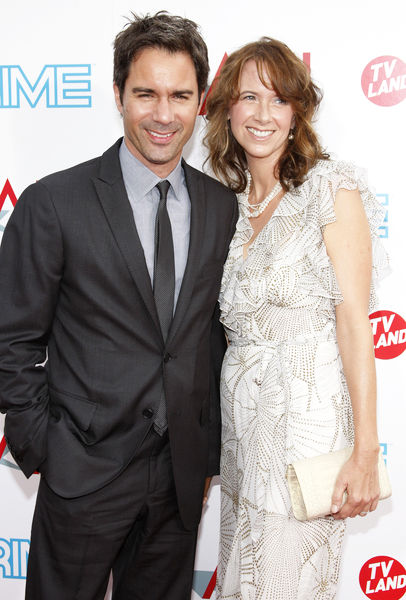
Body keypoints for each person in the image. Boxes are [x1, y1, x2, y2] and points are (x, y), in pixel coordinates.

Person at [0, 12, 237, 600]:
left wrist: (203, 454)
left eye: (181, 95)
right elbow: (10, 339)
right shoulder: (53, 202)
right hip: (82, 470)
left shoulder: (220, 207)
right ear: (117, 95)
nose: (164, 114)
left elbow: (209, 338)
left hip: (179, 480)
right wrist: (45, 449)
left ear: (200, 100)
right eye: (146, 94)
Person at [205, 38, 388, 599]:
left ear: (297, 112)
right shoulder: (227, 206)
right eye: (249, 97)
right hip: (241, 438)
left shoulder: (331, 191)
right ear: (227, 110)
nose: (262, 114)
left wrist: (365, 451)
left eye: (279, 100)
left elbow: (356, 325)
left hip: (306, 438)